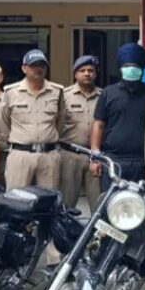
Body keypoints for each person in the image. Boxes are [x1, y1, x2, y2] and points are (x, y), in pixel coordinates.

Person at [90, 43, 145, 186]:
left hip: (143, 161)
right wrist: (95, 157)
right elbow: (99, 124)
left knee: (142, 200)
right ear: (121, 68)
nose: (131, 69)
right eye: (127, 66)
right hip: (113, 160)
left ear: (142, 69)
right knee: (112, 199)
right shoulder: (108, 93)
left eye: (135, 66)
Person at [1, 49, 65, 190]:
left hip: (49, 155)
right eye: (33, 65)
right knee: (17, 198)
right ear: (24, 68)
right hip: (20, 154)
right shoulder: (11, 92)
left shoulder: (57, 91)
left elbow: (60, 121)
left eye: (42, 65)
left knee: (49, 199)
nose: (38, 68)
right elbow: (4, 123)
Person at [58, 55, 102, 208]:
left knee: (99, 203)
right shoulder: (64, 96)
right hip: (70, 155)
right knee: (66, 203)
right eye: (82, 70)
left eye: (91, 70)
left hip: (95, 156)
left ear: (96, 73)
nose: (87, 74)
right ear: (75, 74)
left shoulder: (103, 96)